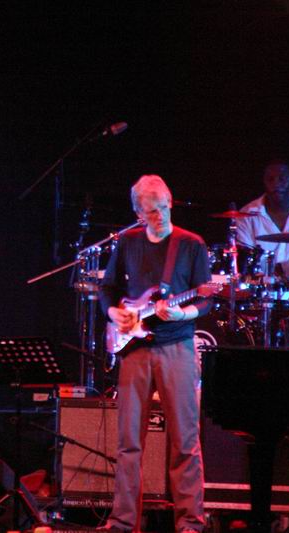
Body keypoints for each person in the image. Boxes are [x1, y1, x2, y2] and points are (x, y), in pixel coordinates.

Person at [99, 175, 210, 533]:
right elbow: (107, 288)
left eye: (163, 208)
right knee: (129, 442)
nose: (159, 216)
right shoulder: (128, 242)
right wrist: (113, 313)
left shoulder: (191, 244)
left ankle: (190, 523)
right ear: (138, 213)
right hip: (135, 349)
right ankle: (122, 522)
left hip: (177, 346)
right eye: (151, 211)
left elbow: (205, 298)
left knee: (185, 441)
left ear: (170, 202)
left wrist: (182, 314)